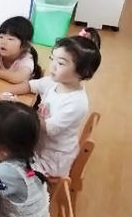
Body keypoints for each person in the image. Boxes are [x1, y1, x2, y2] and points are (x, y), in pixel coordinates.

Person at [9, 35, 101, 177]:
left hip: (51, 159)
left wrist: (20, 108)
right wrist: (7, 91)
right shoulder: (56, 82)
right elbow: (32, 85)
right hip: (40, 145)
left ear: (83, 72)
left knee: (9, 164)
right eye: (52, 59)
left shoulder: (76, 103)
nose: (52, 65)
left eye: (61, 63)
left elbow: (49, 128)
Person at [0, 16, 42, 85]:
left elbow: (17, 78)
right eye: (1, 37)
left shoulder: (26, 59)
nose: (3, 42)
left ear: (24, 45)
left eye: (10, 39)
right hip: (1, 87)